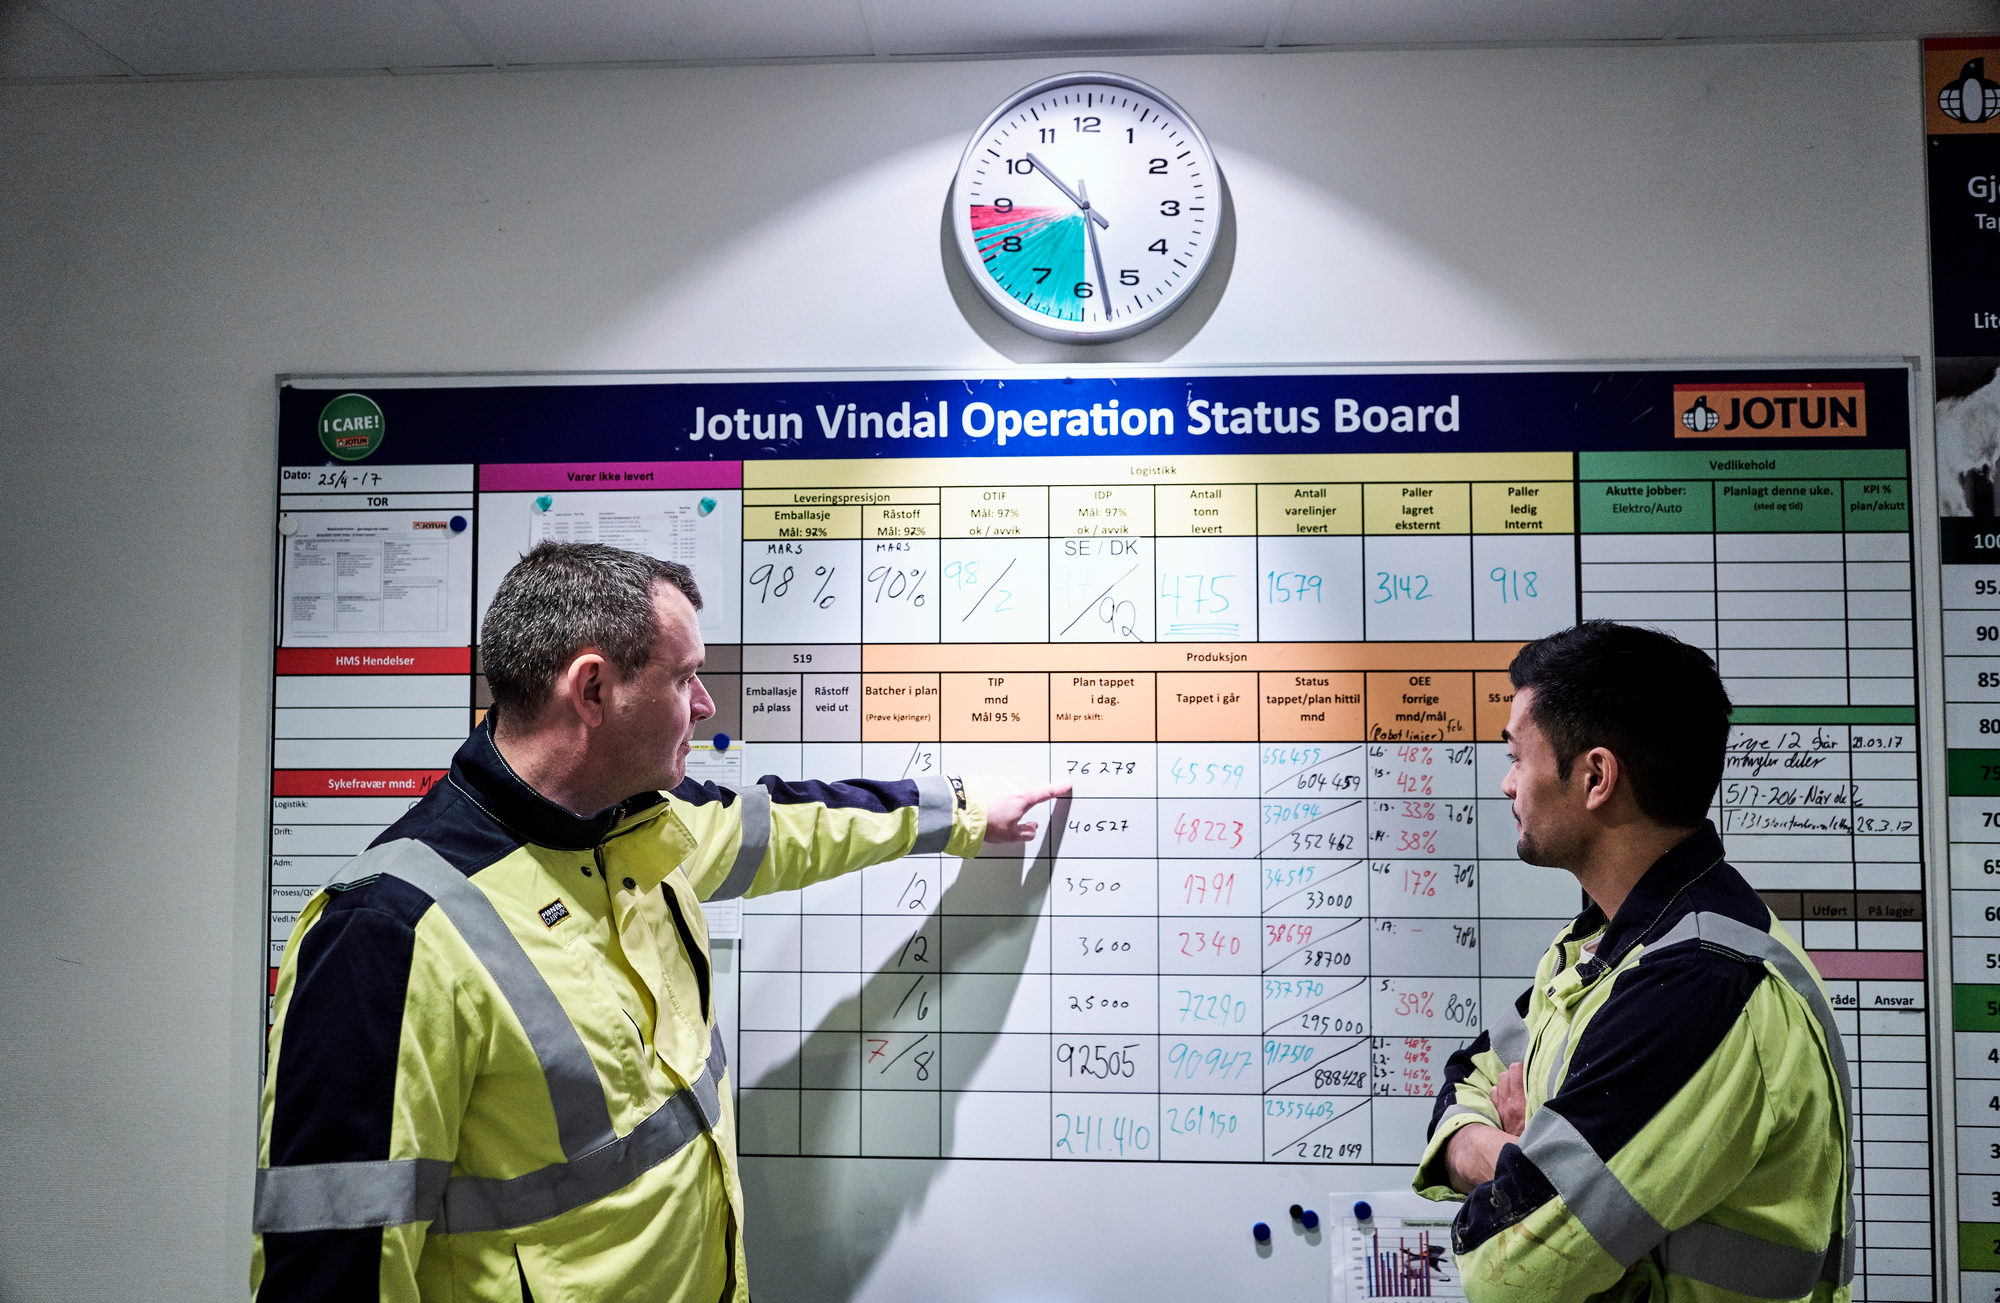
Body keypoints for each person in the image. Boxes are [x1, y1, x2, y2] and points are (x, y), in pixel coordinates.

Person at [252, 542, 1067, 1302]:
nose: (707, 706)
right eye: (685, 678)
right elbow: (332, 1262)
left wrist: (962, 812)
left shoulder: (639, 828)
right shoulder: (389, 932)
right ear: (595, 690)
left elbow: (790, 823)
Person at [1414, 622, 1852, 1303]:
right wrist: (1515, 1157)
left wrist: (1523, 1156)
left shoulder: (1700, 983)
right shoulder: (1599, 946)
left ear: (1595, 776)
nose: (1506, 784)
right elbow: (1462, 1080)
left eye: (1516, 756)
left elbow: (1509, 1269)